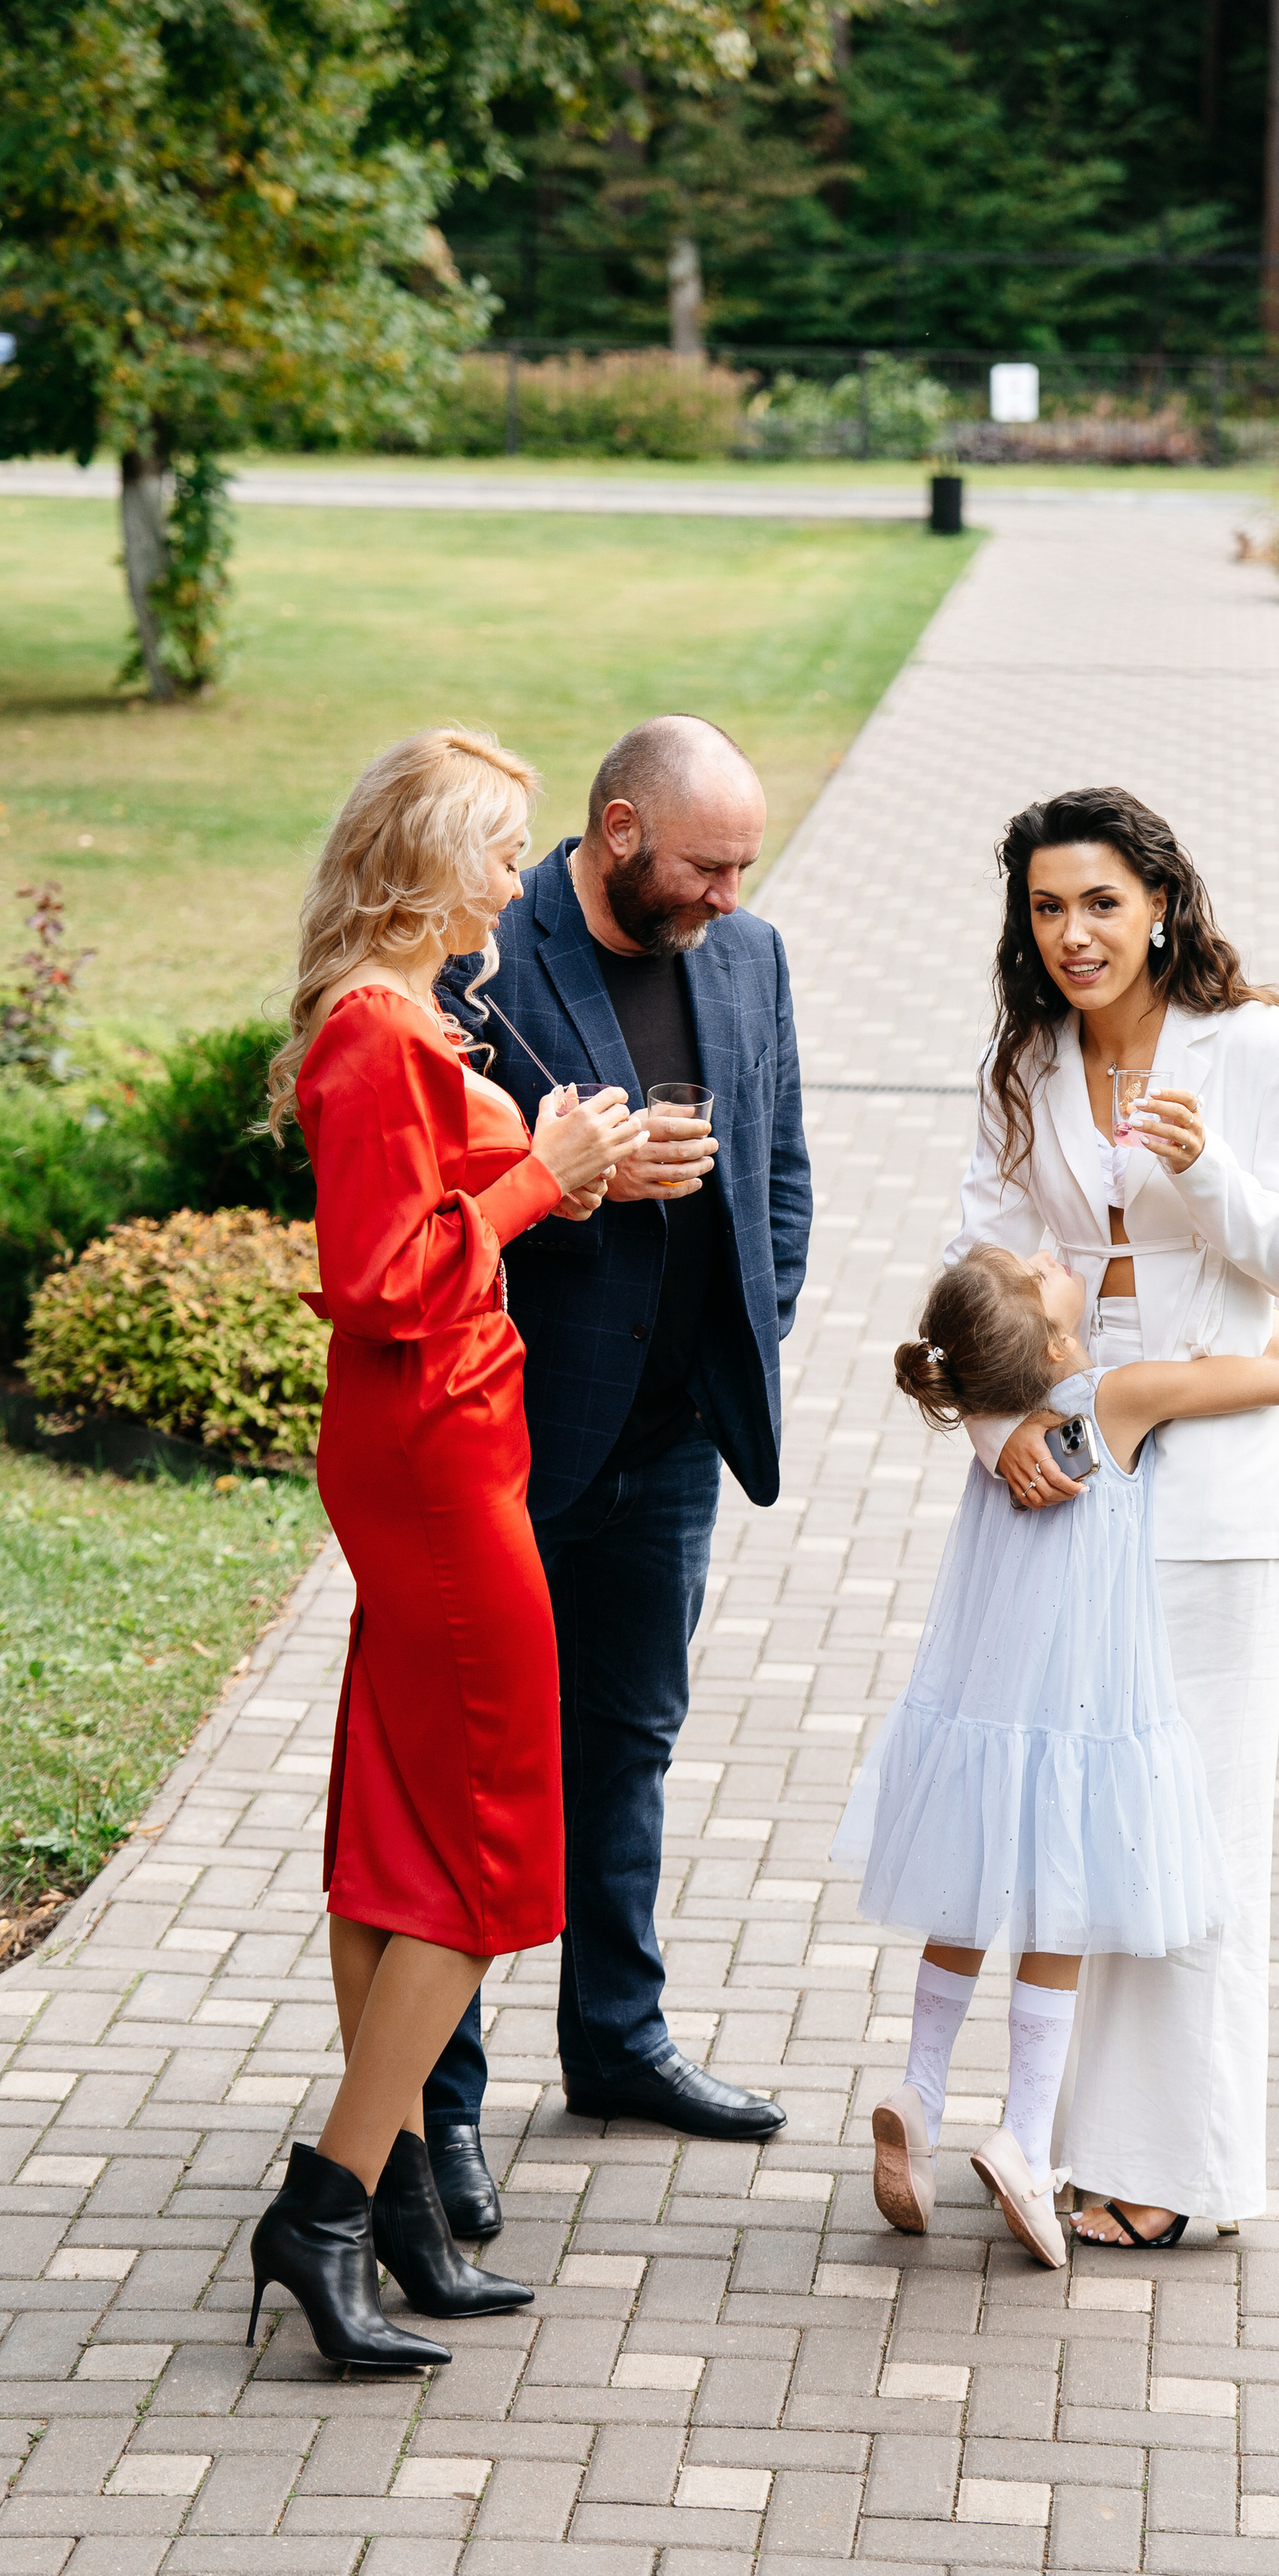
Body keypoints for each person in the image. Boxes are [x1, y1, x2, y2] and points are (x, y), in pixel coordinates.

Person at [251, 728, 640, 2370]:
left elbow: (432, 1226)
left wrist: (560, 1168)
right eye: (497, 851)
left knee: (400, 1820)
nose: (514, 878)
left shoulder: (412, 1024)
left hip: (444, 1448)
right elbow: (381, 1284)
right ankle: (327, 2202)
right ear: (425, 866)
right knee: (485, 1856)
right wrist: (536, 1183)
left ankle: (397, 2201)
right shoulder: (374, 1036)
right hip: (433, 1469)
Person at [419, 713, 812, 2224]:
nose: (729, 895)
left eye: (745, 868)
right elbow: (429, 1202)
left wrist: (739, 1344)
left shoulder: (750, 956)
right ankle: (437, 2102)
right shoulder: (476, 954)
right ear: (620, 831)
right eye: (708, 865)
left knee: (628, 1747)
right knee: (472, 1775)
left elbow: (779, 1173)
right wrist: (569, 1185)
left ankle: (617, 2040)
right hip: (505, 1443)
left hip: (670, 1446)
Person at [947, 786, 1279, 2246]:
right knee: (1079, 1821)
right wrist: (995, 1435)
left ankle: (1171, 2173)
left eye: (1100, 903)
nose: (1073, 934)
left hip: (1214, 1504)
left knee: (1189, 1831)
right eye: (1047, 908)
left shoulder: (1262, 1050)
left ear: (1162, 902)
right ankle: (1049, 2137)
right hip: (1067, 1480)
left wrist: (1203, 1170)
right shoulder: (1028, 1060)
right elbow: (970, 1260)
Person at [834, 1242, 1279, 2267]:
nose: (1050, 1251)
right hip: (1086, 1713)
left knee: (965, 1900)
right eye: (1038, 1269)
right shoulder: (1119, 1400)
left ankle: (919, 2089)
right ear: (1060, 1338)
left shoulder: (1003, 1433)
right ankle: (1021, 2130)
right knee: (1060, 1911)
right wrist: (1251, 1306)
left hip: (985, 1704)